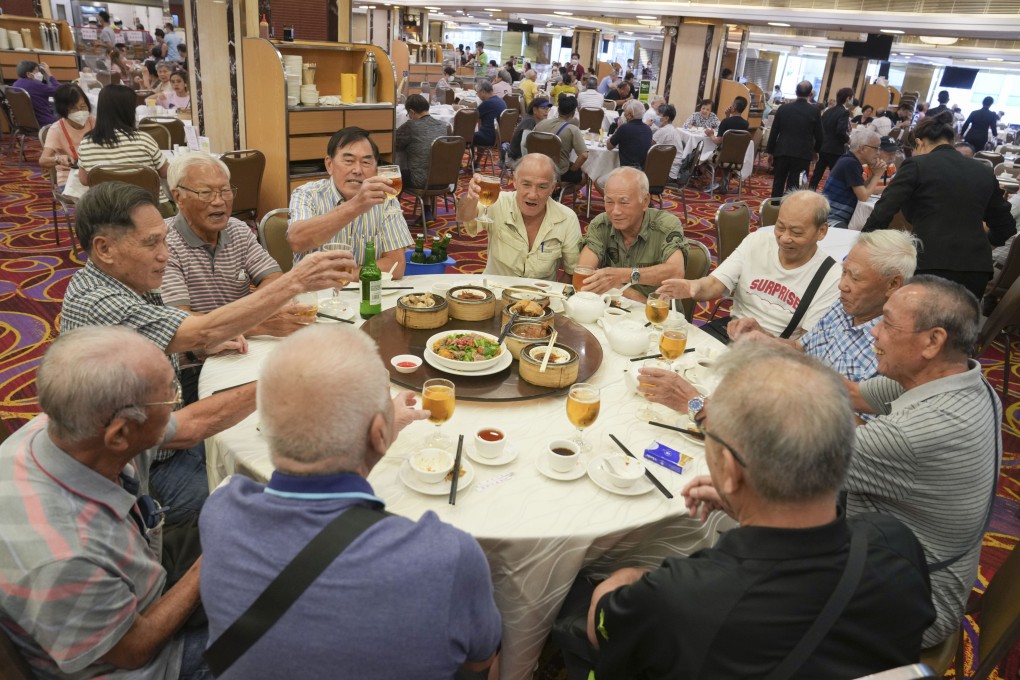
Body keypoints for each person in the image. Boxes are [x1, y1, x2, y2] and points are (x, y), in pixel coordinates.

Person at [580, 342, 935, 679]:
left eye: (711, 437)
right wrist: (751, 507)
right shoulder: (895, 543)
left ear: (731, 472)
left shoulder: (682, 598)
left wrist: (626, 577)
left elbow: (602, 627)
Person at [200, 325, 502, 679]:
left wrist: (374, 434)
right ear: (379, 434)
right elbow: (479, 662)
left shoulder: (220, 510)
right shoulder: (447, 555)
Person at [60, 182, 352, 519]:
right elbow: (201, 332)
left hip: (164, 429)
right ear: (105, 249)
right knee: (276, 499)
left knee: (276, 439)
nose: (165, 255)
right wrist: (296, 280)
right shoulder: (99, 301)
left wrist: (200, 347)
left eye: (165, 240)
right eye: (152, 243)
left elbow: (177, 338)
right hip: (137, 474)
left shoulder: (127, 283)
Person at [0, 326, 259, 680]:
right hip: (150, 661)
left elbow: (193, 423)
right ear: (120, 434)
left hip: (137, 574)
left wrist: (273, 384)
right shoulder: (62, 555)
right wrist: (215, 555)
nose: (176, 402)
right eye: (171, 397)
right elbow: (135, 650)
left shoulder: (68, 426)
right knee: (291, 625)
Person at [730, 230, 917, 384]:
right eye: (844, 272)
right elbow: (800, 348)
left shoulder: (894, 350)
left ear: (892, 285)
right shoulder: (845, 306)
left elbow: (859, 423)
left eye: (855, 277)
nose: (842, 285)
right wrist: (763, 336)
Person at [863, 112, 1015, 299]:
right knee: (959, 326)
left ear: (919, 143)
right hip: (976, 269)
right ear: (951, 142)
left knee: (919, 323)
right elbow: (1006, 227)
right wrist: (983, 243)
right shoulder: (984, 171)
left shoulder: (916, 165)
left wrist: (864, 247)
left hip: (929, 262)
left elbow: (883, 210)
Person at [658, 191, 840, 338]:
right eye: (780, 227)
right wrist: (693, 286)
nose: (784, 238)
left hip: (776, 354)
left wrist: (762, 336)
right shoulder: (758, 241)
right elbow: (715, 284)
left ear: (821, 231)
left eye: (796, 232)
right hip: (731, 333)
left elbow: (806, 350)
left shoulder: (830, 277)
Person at [163, 152, 305, 338]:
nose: (219, 201)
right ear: (178, 197)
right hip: (196, 355)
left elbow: (274, 279)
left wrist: (245, 318)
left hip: (243, 344)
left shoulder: (237, 229)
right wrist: (256, 323)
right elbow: (181, 320)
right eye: (206, 193)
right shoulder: (163, 242)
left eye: (225, 191)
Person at [287, 126, 415, 276]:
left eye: (366, 162)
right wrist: (356, 206)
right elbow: (297, 241)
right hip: (316, 294)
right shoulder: (307, 194)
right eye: (348, 161)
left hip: (365, 292)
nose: (357, 170)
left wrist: (344, 276)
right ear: (329, 165)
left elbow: (395, 266)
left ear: (376, 168)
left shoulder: (385, 199)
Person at [458, 154, 582, 279]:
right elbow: (463, 217)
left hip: (539, 296)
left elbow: (572, 271)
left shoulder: (567, 218)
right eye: (526, 184)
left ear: (552, 188)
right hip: (496, 291)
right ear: (515, 182)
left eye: (542, 187)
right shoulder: (498, 202)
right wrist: (470, 198)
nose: (533, 195)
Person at [576, 167, 688, 302]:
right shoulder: (601, 224)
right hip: (611, 312)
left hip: (656, 316)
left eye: (624, 202)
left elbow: (676, 271)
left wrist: (622, 276)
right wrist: (632, 295)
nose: (615, 211)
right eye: (609, 201)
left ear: (645, 201)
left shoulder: (666, 225)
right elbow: (583, 275)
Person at [76, 84, 173, 207]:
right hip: (151, 209)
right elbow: (166, 173)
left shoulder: (86, 143)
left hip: (108, 213)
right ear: (129, 110)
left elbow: (85, 180)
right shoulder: (143, 139)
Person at [766, 80, 824, 197]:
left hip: (782, 151)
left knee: (778, 182)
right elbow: (820, 136)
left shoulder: (783, 109)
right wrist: (815, 151)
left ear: (795, 92)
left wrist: (770, 151)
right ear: (810, 94)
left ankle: (774, 209)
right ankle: (789, 211)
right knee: (795, 187)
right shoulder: (814, 111)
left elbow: (774, 132)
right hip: (802, 154)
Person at [821, 130, 887, 229]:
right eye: (876, 148)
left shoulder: (849, 160)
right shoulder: (850, 163)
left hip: (833, 216)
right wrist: (877, 176)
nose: (878, 153)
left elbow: (863, 188)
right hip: (830, 219)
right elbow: (863, 196)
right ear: (863, 148)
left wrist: (873, 174)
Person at [40, 83, 94, 188]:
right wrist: (58, 159)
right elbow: (43, 160)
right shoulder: (57, 129)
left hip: (94, 175)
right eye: (73, 109)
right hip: (70, 179)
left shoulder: (93, 122)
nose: (80, 112)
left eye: (83, 107)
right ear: (63, 109)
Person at [394, 93, 450, 193]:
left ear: (411, 112)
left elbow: (393, 144)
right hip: (445, 179)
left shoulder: (411, 125)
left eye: (408, 114)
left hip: (420, 181)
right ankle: (427, 206)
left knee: (393, 174)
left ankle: (393, 207)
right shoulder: (443, 125)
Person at [532, 93, 587, 183]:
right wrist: (572, 170)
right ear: (573, 113)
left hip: (538, 166)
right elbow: (584, 155)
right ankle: (558, 193)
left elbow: (528, 143)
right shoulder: (572, 129)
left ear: (558, 109)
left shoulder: (541, 123)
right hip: (559, 172)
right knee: (584, 177)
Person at [809, 86, 853, 190]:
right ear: (848, 98)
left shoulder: (828, 111)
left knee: (817, 175)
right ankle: (831, 196)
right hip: (835, 149)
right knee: (835, 176)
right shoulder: (844, 112)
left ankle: (810, 192)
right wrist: (848, 140)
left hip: (823, 147)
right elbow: (840, 132)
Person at [605, 100, 653, 176]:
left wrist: (618, 128)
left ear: (630, 115)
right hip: (641, 175)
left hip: (626, 174)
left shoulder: (624, 128)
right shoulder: (648, 129)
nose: (623, 114)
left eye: (624, 112)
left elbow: (609, 146)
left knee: (599, 181)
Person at [506, 96, 551, 169]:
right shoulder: (530, 121)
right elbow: (524, 144)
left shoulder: (534, 120)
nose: (546, 111)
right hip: (515, 160)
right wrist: (528, 164)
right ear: (535, 110)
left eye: (547, 109)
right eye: (543, 108)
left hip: (519, 157)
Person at [11, 60, 59, 126]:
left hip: (26, 124)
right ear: (28, 74)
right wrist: (49, 74)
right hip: (44, 122)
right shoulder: (35, 85)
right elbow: (59, 90)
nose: (39, 73)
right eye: (36, 71)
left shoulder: (15, 84)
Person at [651, 104, 688, 182]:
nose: (655, 117)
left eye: (658, 115)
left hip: (666, 174)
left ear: (666, 118)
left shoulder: (663, 131)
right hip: (673, 172)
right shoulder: (671, 129)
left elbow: (648, 147)